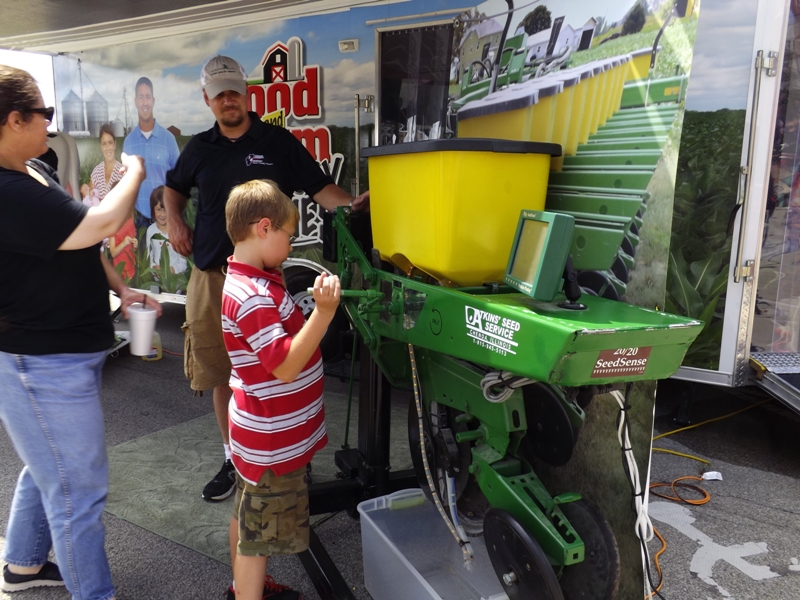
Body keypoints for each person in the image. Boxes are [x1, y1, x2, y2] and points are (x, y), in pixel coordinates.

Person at [164, 54, 368, 503]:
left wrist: (353, 205)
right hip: (211, 277)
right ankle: (234, 458)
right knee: (223, 374)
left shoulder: (278, 142)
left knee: (279, 369)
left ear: (247, 93)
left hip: (266, 284)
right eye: (219, 94)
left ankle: (289, 459)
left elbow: (321, 189)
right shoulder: (198, 148)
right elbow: (172, 188)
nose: (228, 100)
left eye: (234, 91)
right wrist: (174, 220)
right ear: (207, 100)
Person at [0, 64, 160, 600]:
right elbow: (100, 224)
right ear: (14, 119)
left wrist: (122, 288)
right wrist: (133, 172)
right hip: (41, 362)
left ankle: (22, 566)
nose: (50, 123)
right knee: (77, 491)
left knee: (50, 463)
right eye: (43, 113)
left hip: (64, 352)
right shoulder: (6, 189)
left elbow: (81, 242)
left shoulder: (31, 170)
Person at [221, 179, 339, 600]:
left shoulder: (254, 280)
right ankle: (248, 592)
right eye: (288, 236)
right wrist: (323, 313)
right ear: (264, 228)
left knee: (246, 516)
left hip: (259, 436)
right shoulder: (252, 296)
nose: (290, 246)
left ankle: (240, 588)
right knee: (258, 541)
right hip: (271, 444)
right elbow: (286, 366)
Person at [123, 76, 180, 228]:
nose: (145, 102)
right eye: (141, 97)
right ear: (135, 101)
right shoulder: (129, 142)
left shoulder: (168, 139)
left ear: (153, 101)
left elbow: (179, 180)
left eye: (148, 97)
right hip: (139, 222)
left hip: (165, 219)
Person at [145, 185, 188, 276]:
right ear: (153, 209)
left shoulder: (177, 231)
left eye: (165, 210)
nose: (162, 214)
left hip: (176, 280)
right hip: (157, 280)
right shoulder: (150, 231)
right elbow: (149, 259)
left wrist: (172, 270)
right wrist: (154, 269)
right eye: (158, 210)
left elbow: (184, 263)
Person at [90, 123, 123, 201]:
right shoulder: (97, 172)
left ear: (115, 144)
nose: (107, 148)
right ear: (101, 147)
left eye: (110, 143)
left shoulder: (122, 172)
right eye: (104, 144)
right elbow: (88, 197)